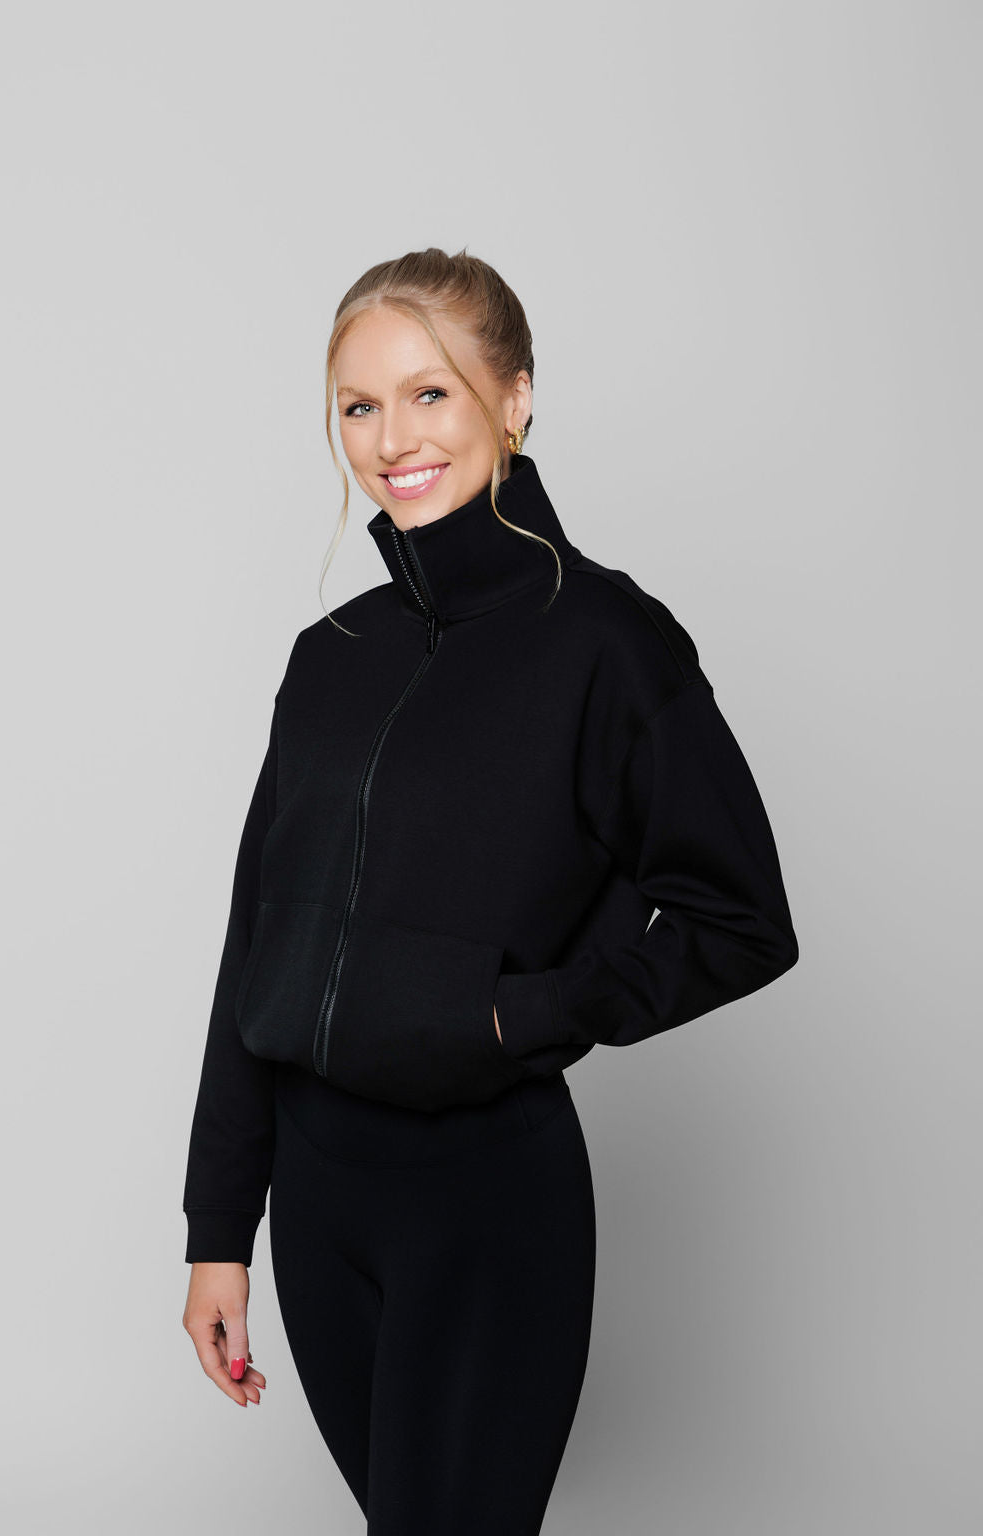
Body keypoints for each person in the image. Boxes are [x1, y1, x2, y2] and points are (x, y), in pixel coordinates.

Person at [181, 246, 799, 1534]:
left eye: (431, 393)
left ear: (514, 399)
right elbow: (256, 947)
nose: (393, 439)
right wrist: (219, 1228)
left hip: (480, 1197)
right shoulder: (330, 658)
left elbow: (742, 918)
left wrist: (517, 1013)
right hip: (320, 1206)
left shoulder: (605, 642)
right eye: (360, 406)